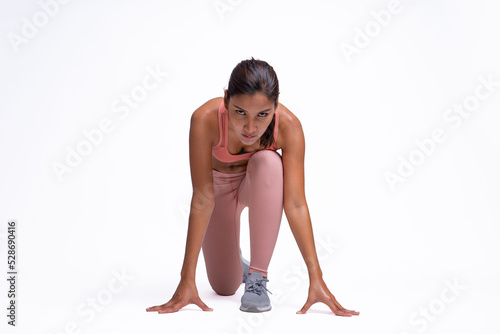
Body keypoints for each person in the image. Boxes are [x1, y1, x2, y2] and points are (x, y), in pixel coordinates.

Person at [146, 57, 359, 316]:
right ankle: (237, 262)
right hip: (218, 193)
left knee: (268, 161)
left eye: (262, 115)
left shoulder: (289, 128)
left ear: (275, 107)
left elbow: (295, 203)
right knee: (224, 286)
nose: (250, 127)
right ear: (226, 99)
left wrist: (317, 278)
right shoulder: (205, 119)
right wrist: (186, 279)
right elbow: (202, 197)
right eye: (239, 112)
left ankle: (257, 277)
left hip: (259, 184)